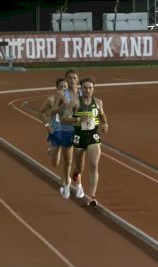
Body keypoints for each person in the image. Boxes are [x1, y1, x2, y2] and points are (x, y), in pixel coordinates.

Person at [63, 77, 109, 206]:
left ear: (93, 89)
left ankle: (92, 196)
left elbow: (102, 115)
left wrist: (105, 124)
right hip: (79, 136)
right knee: (79, 168)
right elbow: (65, 118)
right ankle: (76, 175)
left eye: (90, 88)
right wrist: (78, 120)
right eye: (85, 88)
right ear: (80, 88)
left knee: (94, 165)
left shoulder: (98, 102)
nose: (87, 90)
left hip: (93, 136)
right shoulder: (75, 102)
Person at [39, 77, 83, 199]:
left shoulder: (72, 100)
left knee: (67, 159)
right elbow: (41, 112)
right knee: (55, 163)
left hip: (68, 130)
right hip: (55, 131)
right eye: (61, 87)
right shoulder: (51, 99)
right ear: (57, 88)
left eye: (65, 87)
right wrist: (47, 125)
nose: (64, 89)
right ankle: (51, 150)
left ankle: (64, 184)